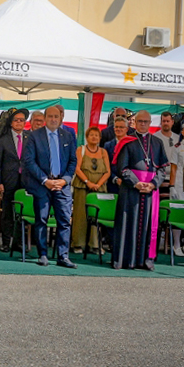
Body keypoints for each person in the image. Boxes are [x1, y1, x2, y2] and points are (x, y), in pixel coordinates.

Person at [110, 111, 169, 271]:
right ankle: (125, 260)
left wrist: (154, 183)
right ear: (134, 123)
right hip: (131, 191)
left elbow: (163, 168)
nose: (143, 124)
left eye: (146, 121)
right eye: (140, 121)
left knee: (148, 226)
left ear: (150, 123)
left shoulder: (157, 142)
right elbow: (122, 168)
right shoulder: (126, 142)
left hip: (150, 191)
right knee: (128, 223)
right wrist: (136, 183)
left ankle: (146, 261)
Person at [22, 105, 77, 268]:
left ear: (60, 119)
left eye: (56, 117)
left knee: (64, 221)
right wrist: (45, 180)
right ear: (45, 119)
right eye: (50, 116)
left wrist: (65, 180)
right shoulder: (34, 136)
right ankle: (43, 254)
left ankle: (63, 256)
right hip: (42, 184)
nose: (53, 119)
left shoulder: (67, 136)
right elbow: (29, 161)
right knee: (41, 219)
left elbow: (73, 161)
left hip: (62, 185)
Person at [70, 126, 110, 254]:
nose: (94, 137)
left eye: (96, 135)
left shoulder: (103, 152)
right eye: (91, 135)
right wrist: (88, 182)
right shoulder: (80, 150)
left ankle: (94, 244)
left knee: (96, 216)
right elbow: (77, 168)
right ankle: (78, 244)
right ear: (87, 137)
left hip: (99, 188)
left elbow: (108, 172)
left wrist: (98, 184)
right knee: (80, 215)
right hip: (82, 186)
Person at [0, 108, 29, 251]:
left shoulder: (29, 137)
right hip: (8, 181)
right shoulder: (3, 140)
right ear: (11, 123)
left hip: (25, 181)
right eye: (16, 120)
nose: (19, 122)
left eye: (22, 120)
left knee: (22, 212)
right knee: (7, 212)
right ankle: (6, 242)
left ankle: (19, 242)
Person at [167, 116, 184, 257]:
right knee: (178, 213)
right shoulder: (177, 148)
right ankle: (176, 244)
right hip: (179, 183)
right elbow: (173, 168)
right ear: (182, 132)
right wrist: (171, 186)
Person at [103, 116, 129, 194]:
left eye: (121, 127)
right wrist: (115, 178)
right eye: (116, 127)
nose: (118, 129)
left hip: (129, 184)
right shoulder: (108, 145)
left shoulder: (132, 144)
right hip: (112, 185)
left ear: (127, 129)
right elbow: (106, 166)